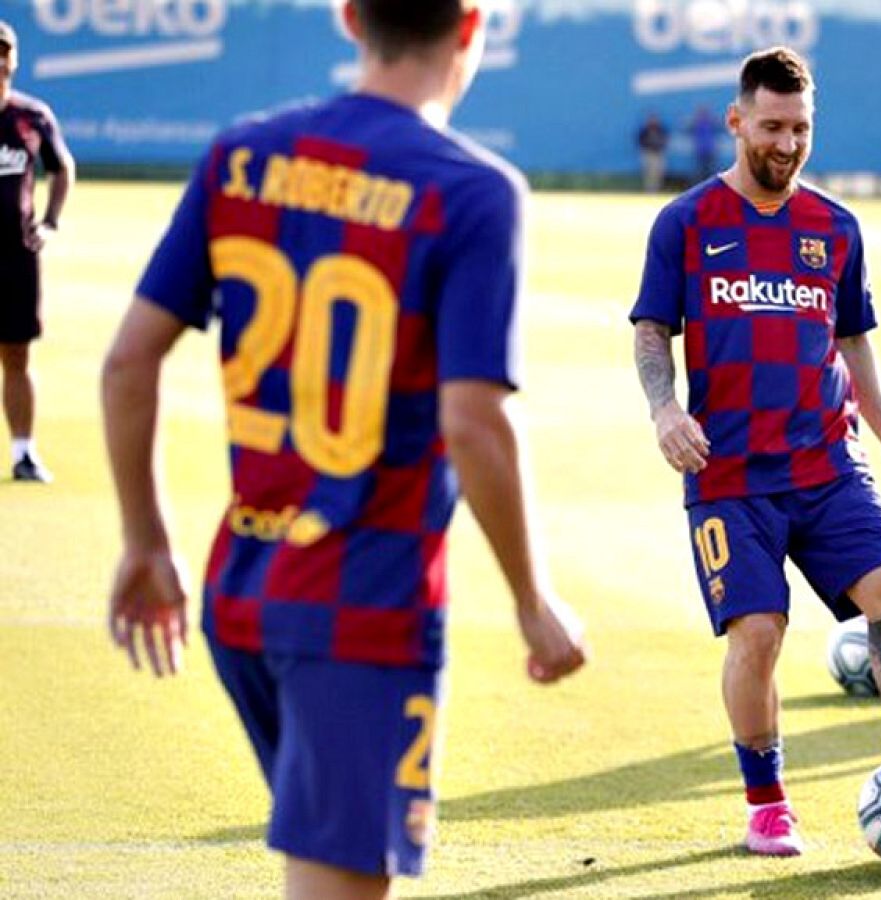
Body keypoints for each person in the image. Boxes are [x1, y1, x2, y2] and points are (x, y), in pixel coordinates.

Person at [99, 2, 587, 897]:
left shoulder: (242, 155)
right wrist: (530, 596)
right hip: (365, 604)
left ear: (351, 17)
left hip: (241, 589)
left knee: (323, 865)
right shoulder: (472, 190)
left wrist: (144, 541)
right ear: (472, 26)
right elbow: (474, 422)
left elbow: (129, 362)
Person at [630, 45, 881, 858]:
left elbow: (853, 344)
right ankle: (767, 803)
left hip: (825, 462)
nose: (786, 143)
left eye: (801, 128)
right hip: (730, 477)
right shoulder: (686, 223)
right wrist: (665, 408)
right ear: (737, 121)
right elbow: (650, 330)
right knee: (759, 632)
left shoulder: (835, 228)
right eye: (771, 126)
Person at [0, 20, 72, 483]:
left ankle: (24, 452)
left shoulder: (31, 116)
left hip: (14, 254)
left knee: (17, 354)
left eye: (2, 52)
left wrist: (50, 221)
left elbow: (61, 168)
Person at [638, 111, 669, 193]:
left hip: (658, 153)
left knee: (659, 172)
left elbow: (665, 139)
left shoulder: (660, 129)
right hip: (648, 153)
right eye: (651, 119)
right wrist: (648, 147)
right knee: (649, 172)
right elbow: (640, 140)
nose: (653, 120)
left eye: (655, 119)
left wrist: (660, 146)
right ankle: (649, 190)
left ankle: (657, 189)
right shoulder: (645, 129)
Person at [689, 105, 719, 183]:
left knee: (709, 170)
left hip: (709, 149)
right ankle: (701, 185)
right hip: (701, 150)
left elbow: (719, 125)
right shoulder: (696, 123)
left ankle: (710, 185)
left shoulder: (710, 122)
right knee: (701, 171)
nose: (703, 115)